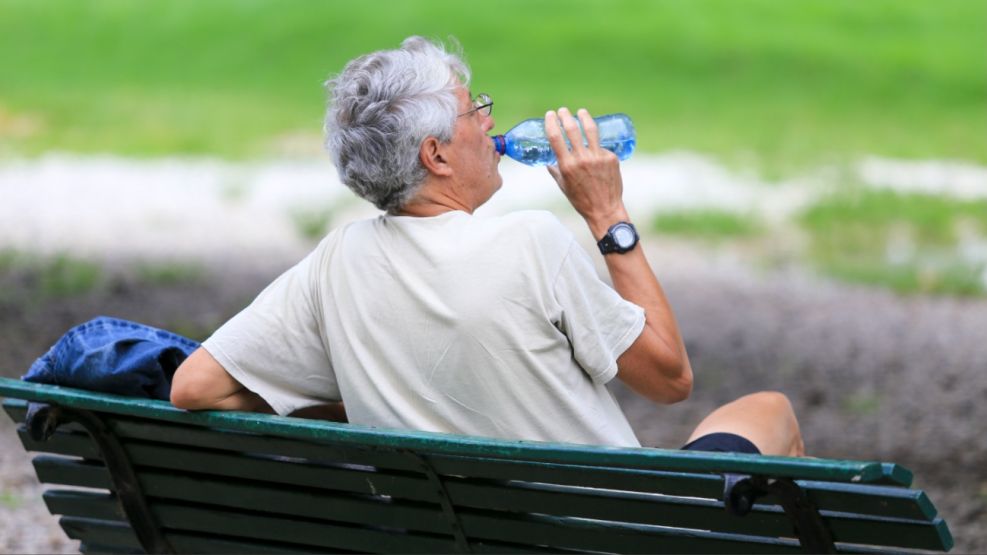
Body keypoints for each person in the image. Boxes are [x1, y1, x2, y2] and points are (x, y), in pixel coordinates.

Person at [170, 36, 804, 457]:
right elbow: (670, 379)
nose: (490, 122)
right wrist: (609, 215)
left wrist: (363, 402)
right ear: (435, 154)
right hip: (611, 536)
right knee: (767, 411)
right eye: (474, 109)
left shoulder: (335, 263)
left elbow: (194, 386)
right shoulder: (531, 242)